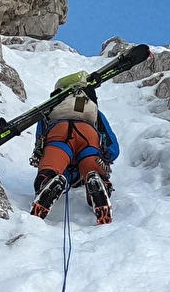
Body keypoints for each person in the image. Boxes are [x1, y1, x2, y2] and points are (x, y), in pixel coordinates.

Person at [29, 72, 120, 225]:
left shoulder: (52, 108)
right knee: (91, 165)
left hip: (58, 133)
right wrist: (106, 156)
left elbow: (40, 140)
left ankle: (48, 181)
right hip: (88, 136)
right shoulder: (94, 112)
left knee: (52, 165)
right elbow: (113, 146)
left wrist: (42, 158)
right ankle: (98, 182)